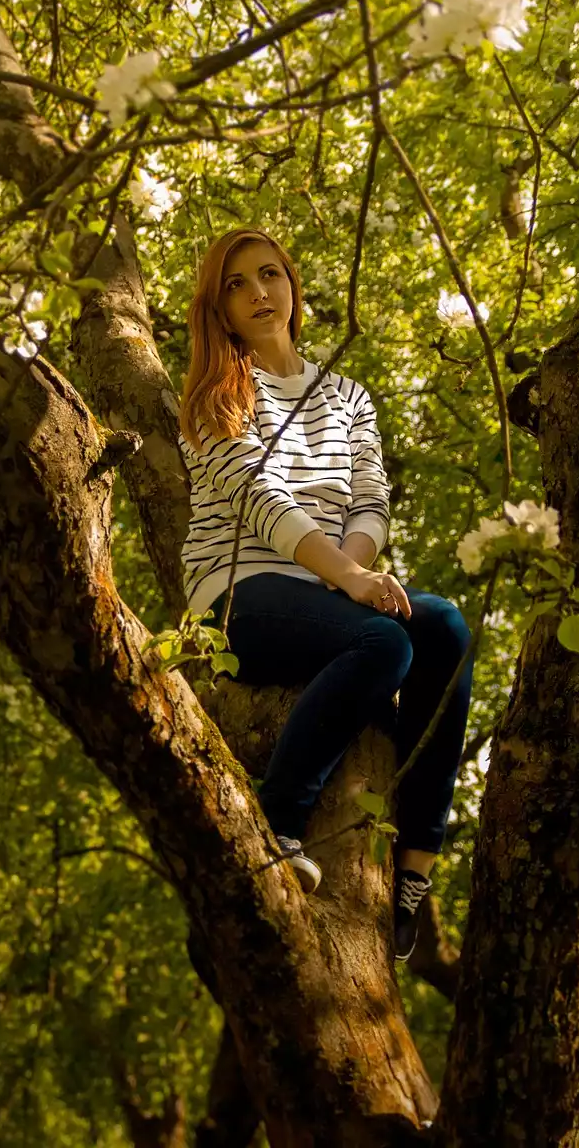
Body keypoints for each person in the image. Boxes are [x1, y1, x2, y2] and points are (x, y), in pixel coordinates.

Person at [176, 227, 474, 961]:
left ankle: (416, 865)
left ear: (292, 285)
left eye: (269, 274)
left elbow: (371, 499)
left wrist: (356, 571)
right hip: (238, 594)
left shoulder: (346, 396)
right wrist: (352, 583)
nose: (259, 293)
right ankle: (279, 821)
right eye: (237, 285)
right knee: (385, 640)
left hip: (332, 585)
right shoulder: (218, 396)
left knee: (444, 626)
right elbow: (262, 502)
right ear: (219, 309)